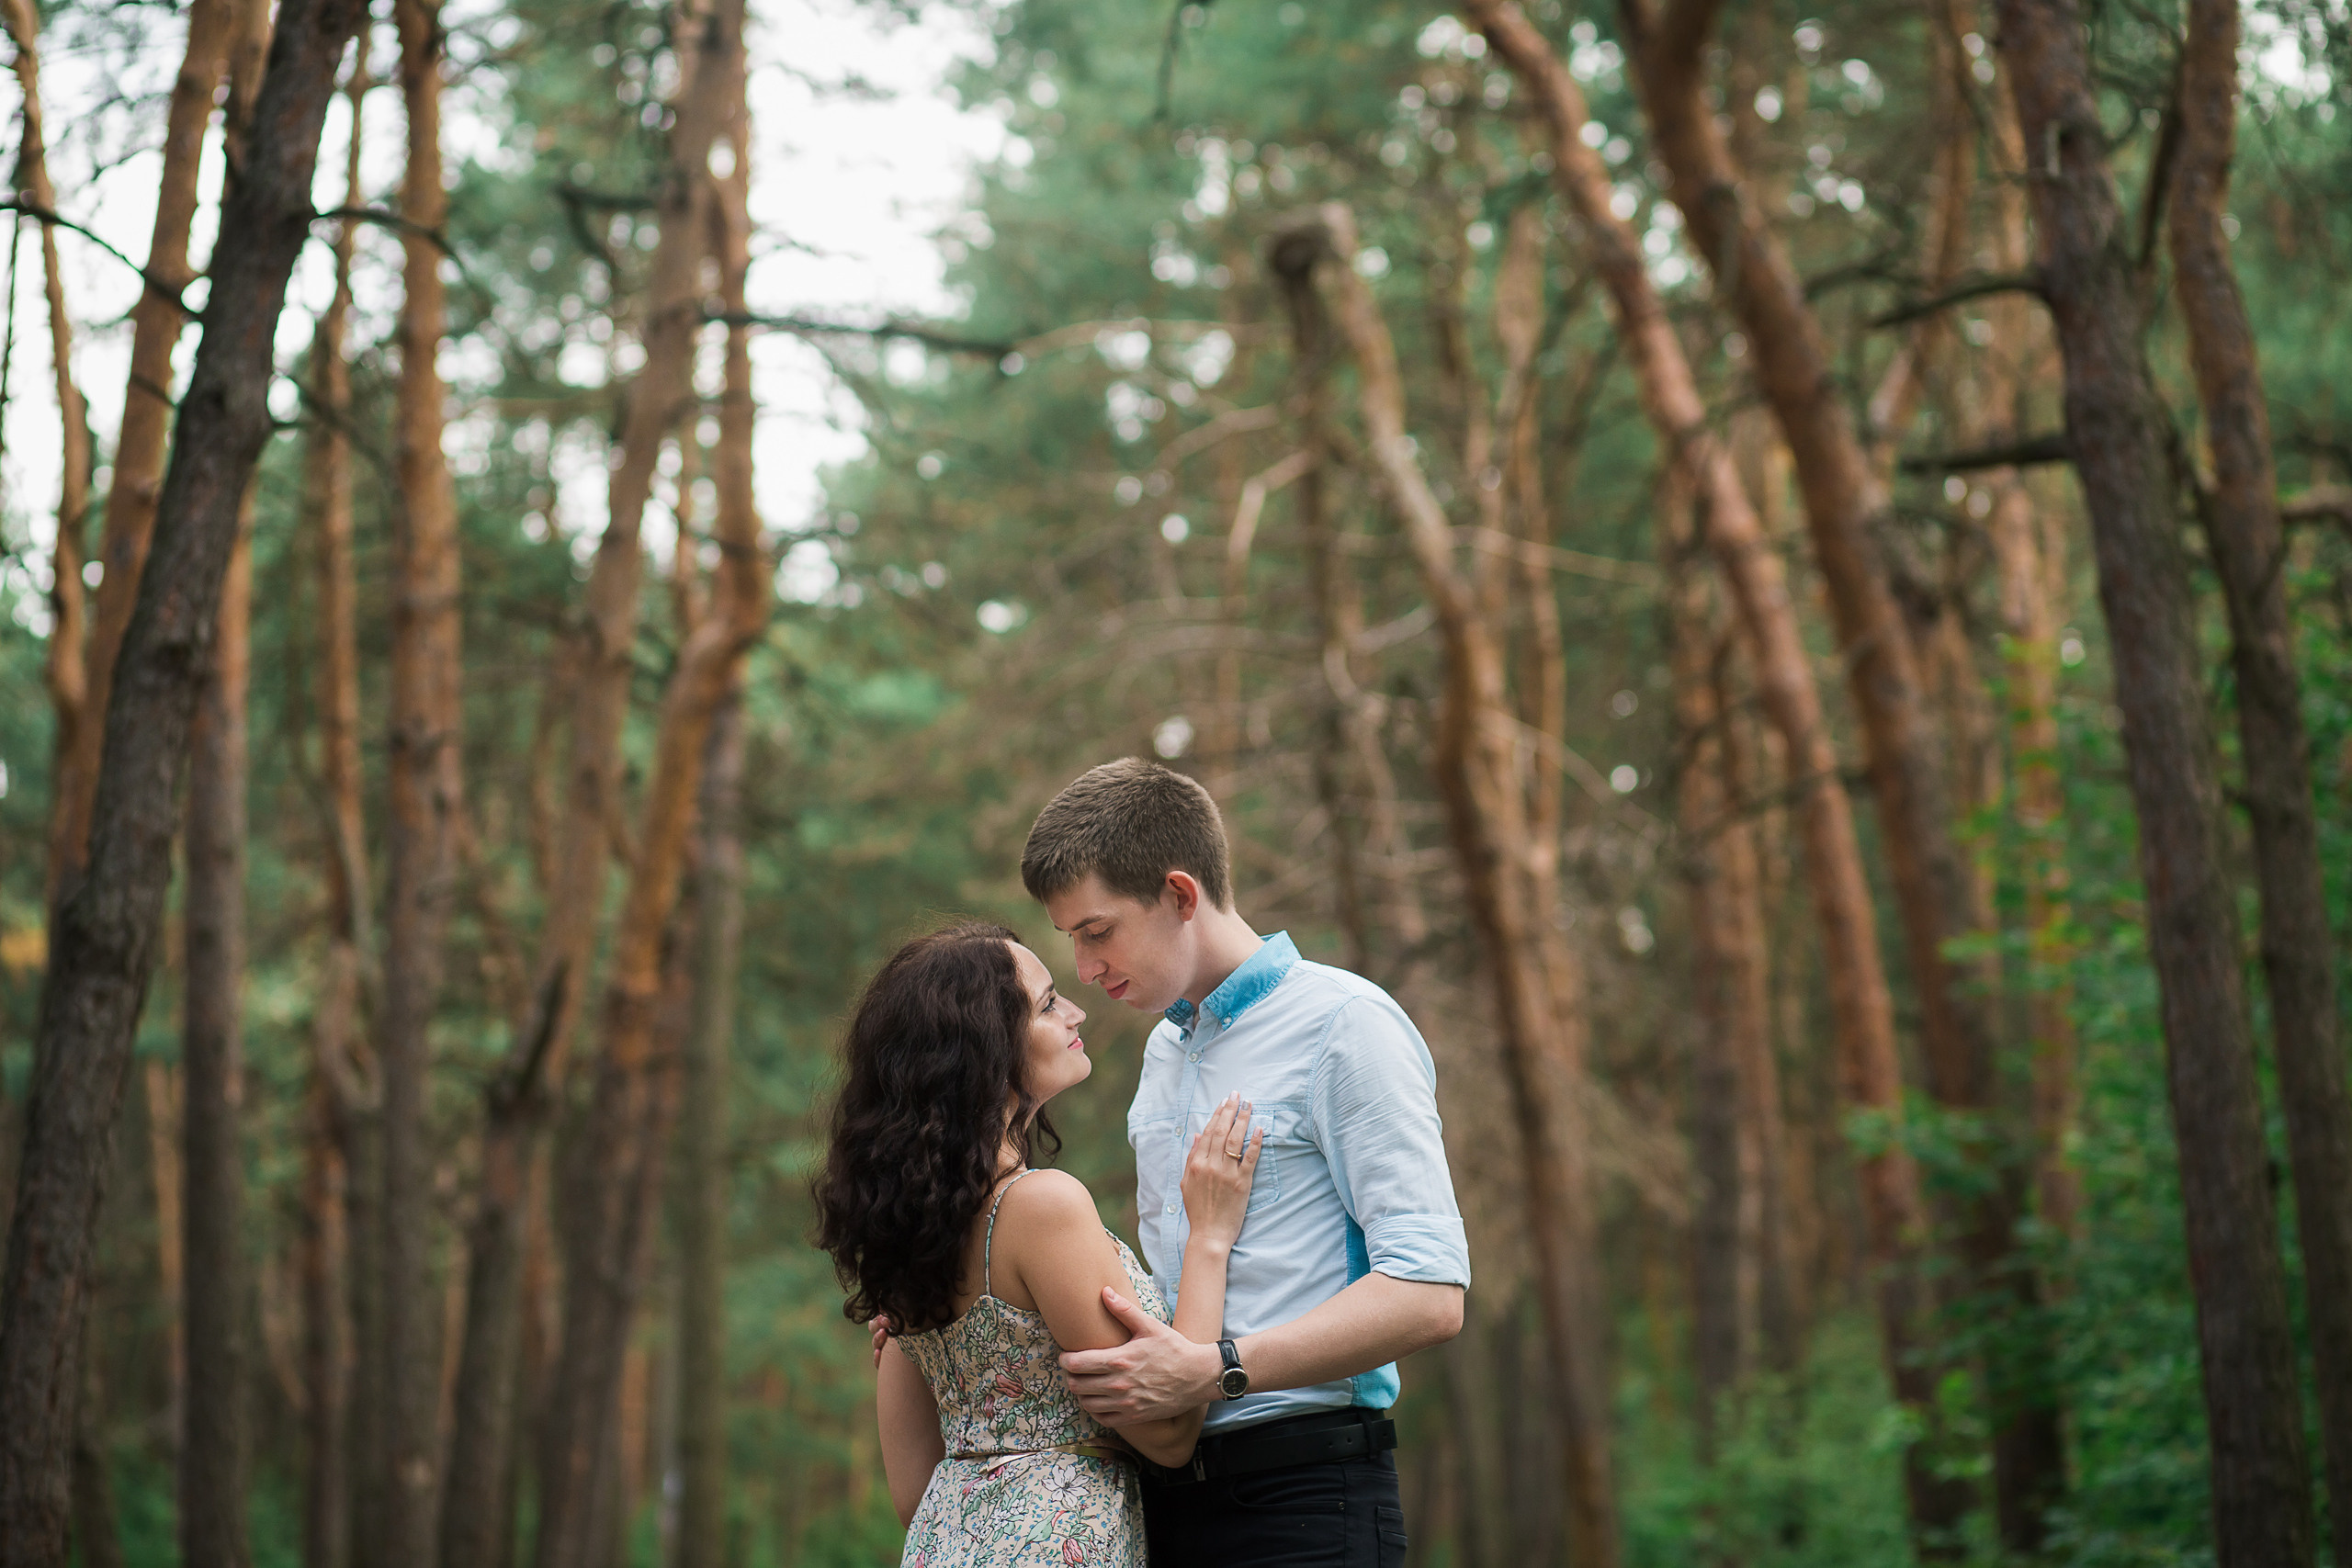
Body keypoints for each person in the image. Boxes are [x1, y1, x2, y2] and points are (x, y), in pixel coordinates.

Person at [1023, 758, 1470, 1566]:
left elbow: (1430, 1292)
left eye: (1097, 931)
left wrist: (1217, 1369)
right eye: (1073, 942)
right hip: (1162, 1501)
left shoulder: (1348, 1024)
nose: (1085, 969)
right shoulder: (1163, 1051)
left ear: (1181, 895)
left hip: (1307, 1497)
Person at [816, 921, 1266, 1567]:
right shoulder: (1040, 1206)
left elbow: (915, 1492)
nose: (1076, 1010)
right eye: (1049, 1002)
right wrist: (1211, 1237)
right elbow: (1169, 1432)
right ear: (985, 1048)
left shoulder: (907, 1233)